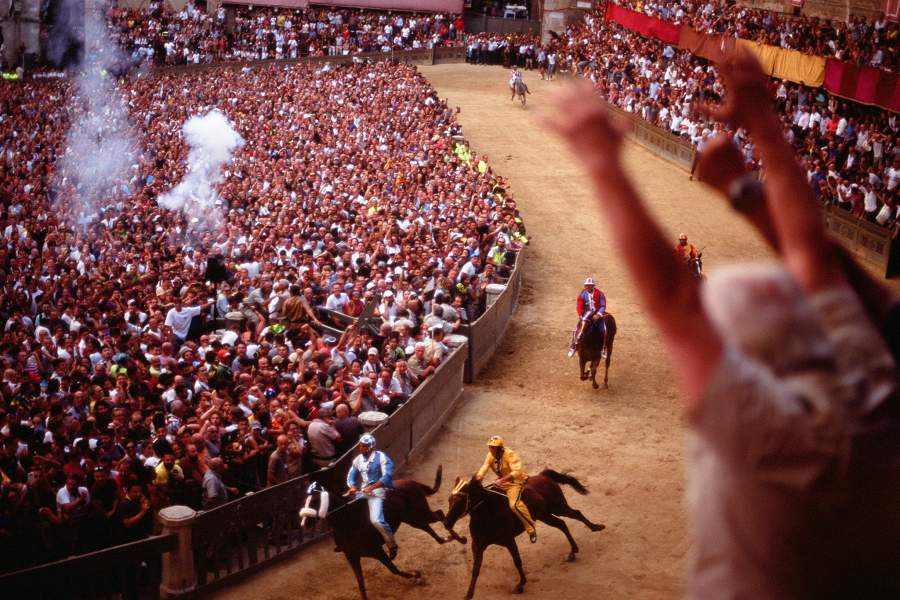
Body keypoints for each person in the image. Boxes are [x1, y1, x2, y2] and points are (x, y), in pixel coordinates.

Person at [543, 51, 900, 599]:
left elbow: (679, 295)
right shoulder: (874, 384)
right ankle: (580, 349)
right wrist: (750, 170)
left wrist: (603, 162)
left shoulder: (778, 436)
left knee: (600, 323)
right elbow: (816, 259)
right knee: (583, 330)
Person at [475, 436, 537, 543]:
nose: (490, 449)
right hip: (501, 482)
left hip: (514, 483)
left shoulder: (510, 455)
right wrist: (479, 477)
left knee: (514, 505)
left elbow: (517, 472)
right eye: (489, 447)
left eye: (493, 447)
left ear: (499, 448)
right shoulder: (490, 455)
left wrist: (501, 480)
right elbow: (485, 466)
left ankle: (531, 529)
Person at [346, 433, 397, 557]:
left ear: (370, 447)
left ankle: (392, 544)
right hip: (363, 491)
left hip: (378, 491)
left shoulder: (381, 457)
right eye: (360, 446)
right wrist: (352, 486)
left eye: (363, 446)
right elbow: (351, 475)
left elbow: (387, 476)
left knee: (376, 520)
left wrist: (372, 487)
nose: (361, 448)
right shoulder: (358, 460)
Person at [568, 277, 606, 358]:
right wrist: (580, 315)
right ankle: (573, 346)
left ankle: (603, 348)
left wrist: (598, 314)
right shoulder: (582, 294)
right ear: (585, 286)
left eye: (590, 285)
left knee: (604, 330)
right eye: (587, 285)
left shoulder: (600, 294)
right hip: (586, 315)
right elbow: (579, 306)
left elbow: (603, 305)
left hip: (596, 315)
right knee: (576, 330)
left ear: (593, 286)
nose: (588, 287)